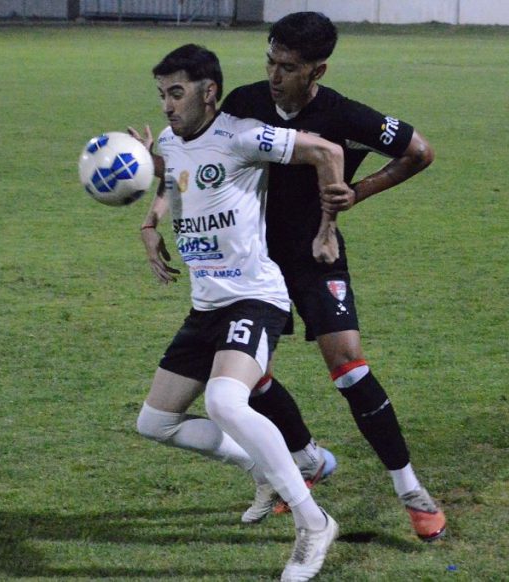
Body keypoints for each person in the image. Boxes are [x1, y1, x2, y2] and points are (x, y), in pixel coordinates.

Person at [218, 11, 446, 542]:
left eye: (288, 67)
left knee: (349, 367)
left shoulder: (343, 115)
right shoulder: (243, 104)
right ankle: (307, 459)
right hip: (253, 262)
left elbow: (420, 152)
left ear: (316, 71)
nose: (274, 75)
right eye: (270, 61)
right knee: (247, 376)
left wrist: (358, 192)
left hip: (316, 256)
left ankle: (411, 490)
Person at [132, 44, 349, 581]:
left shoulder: (242, 136)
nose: (167, 105)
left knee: (225, 401)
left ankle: (314, 521)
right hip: (205, 305)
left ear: (209, 92)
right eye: (161, 95)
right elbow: (174, 175)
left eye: (176, 93)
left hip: (254, 296)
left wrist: (327, 229)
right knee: (155, 422)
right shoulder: (171, 142)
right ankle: (264, 467)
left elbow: (325, 151)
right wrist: (152, 219)